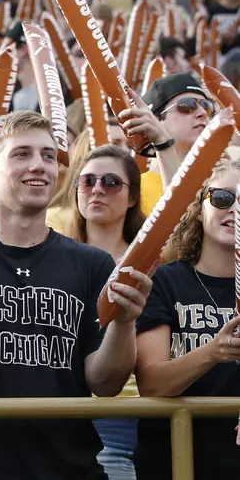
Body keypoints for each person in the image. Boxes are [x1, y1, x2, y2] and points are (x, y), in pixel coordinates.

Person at [0, 111, 152, 479]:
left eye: (49, 156)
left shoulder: (91, 263)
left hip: (70, 468)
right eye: (22, 154)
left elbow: (105, 383)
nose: (40, 165)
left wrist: (125, 324)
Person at [135, 161, 240, 479]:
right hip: (174, 461)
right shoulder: (165, 282)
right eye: (223, 197)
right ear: (198, 208)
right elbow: (151, 383)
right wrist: (213, 352)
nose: (235, 208)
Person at [61, 145, 147, 480]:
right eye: (87, 181)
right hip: (66, 408)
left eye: (111, 182)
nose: (97, 189)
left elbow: (180, 207)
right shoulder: (51, 258)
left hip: (129, 410)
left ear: (131, 198)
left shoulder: (153, 261)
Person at [137, 73, 210, 214]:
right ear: (156, 119)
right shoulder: (136, 190)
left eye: (207, 106)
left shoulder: (225, 184)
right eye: (187, 105)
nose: (202, 112)